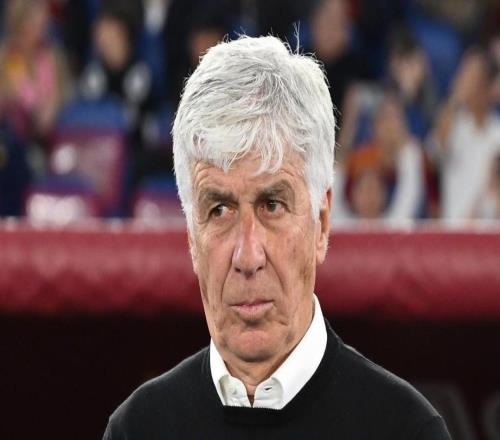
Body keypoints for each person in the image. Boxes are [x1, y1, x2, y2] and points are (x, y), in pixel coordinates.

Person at [103, 36, 451, 439]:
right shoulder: (137, 429)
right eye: (219, 210)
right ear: (191, 238)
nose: (247, 256)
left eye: (272, 205)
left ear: (322, 223)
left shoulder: (407, 431)